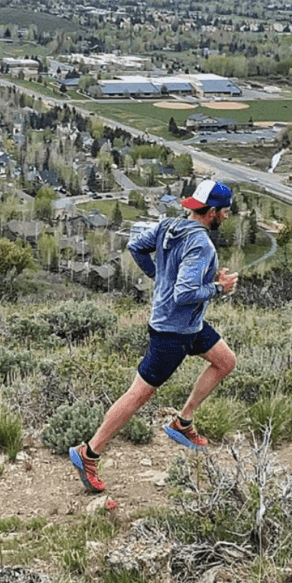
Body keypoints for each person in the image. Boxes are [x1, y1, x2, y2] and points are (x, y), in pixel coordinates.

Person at [69, 179, 239, 493]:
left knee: (225, 361)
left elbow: (137, 247)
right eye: (225, 211)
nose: (227, 216)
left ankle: (183, 421)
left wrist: (161, 274)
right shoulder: (201, 244)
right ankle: (89, 453)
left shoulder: (169, 226)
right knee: (138, 396)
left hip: (191, 326)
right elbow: (185, 293)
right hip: (172, 333)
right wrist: (219, 288)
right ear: (212, 211)